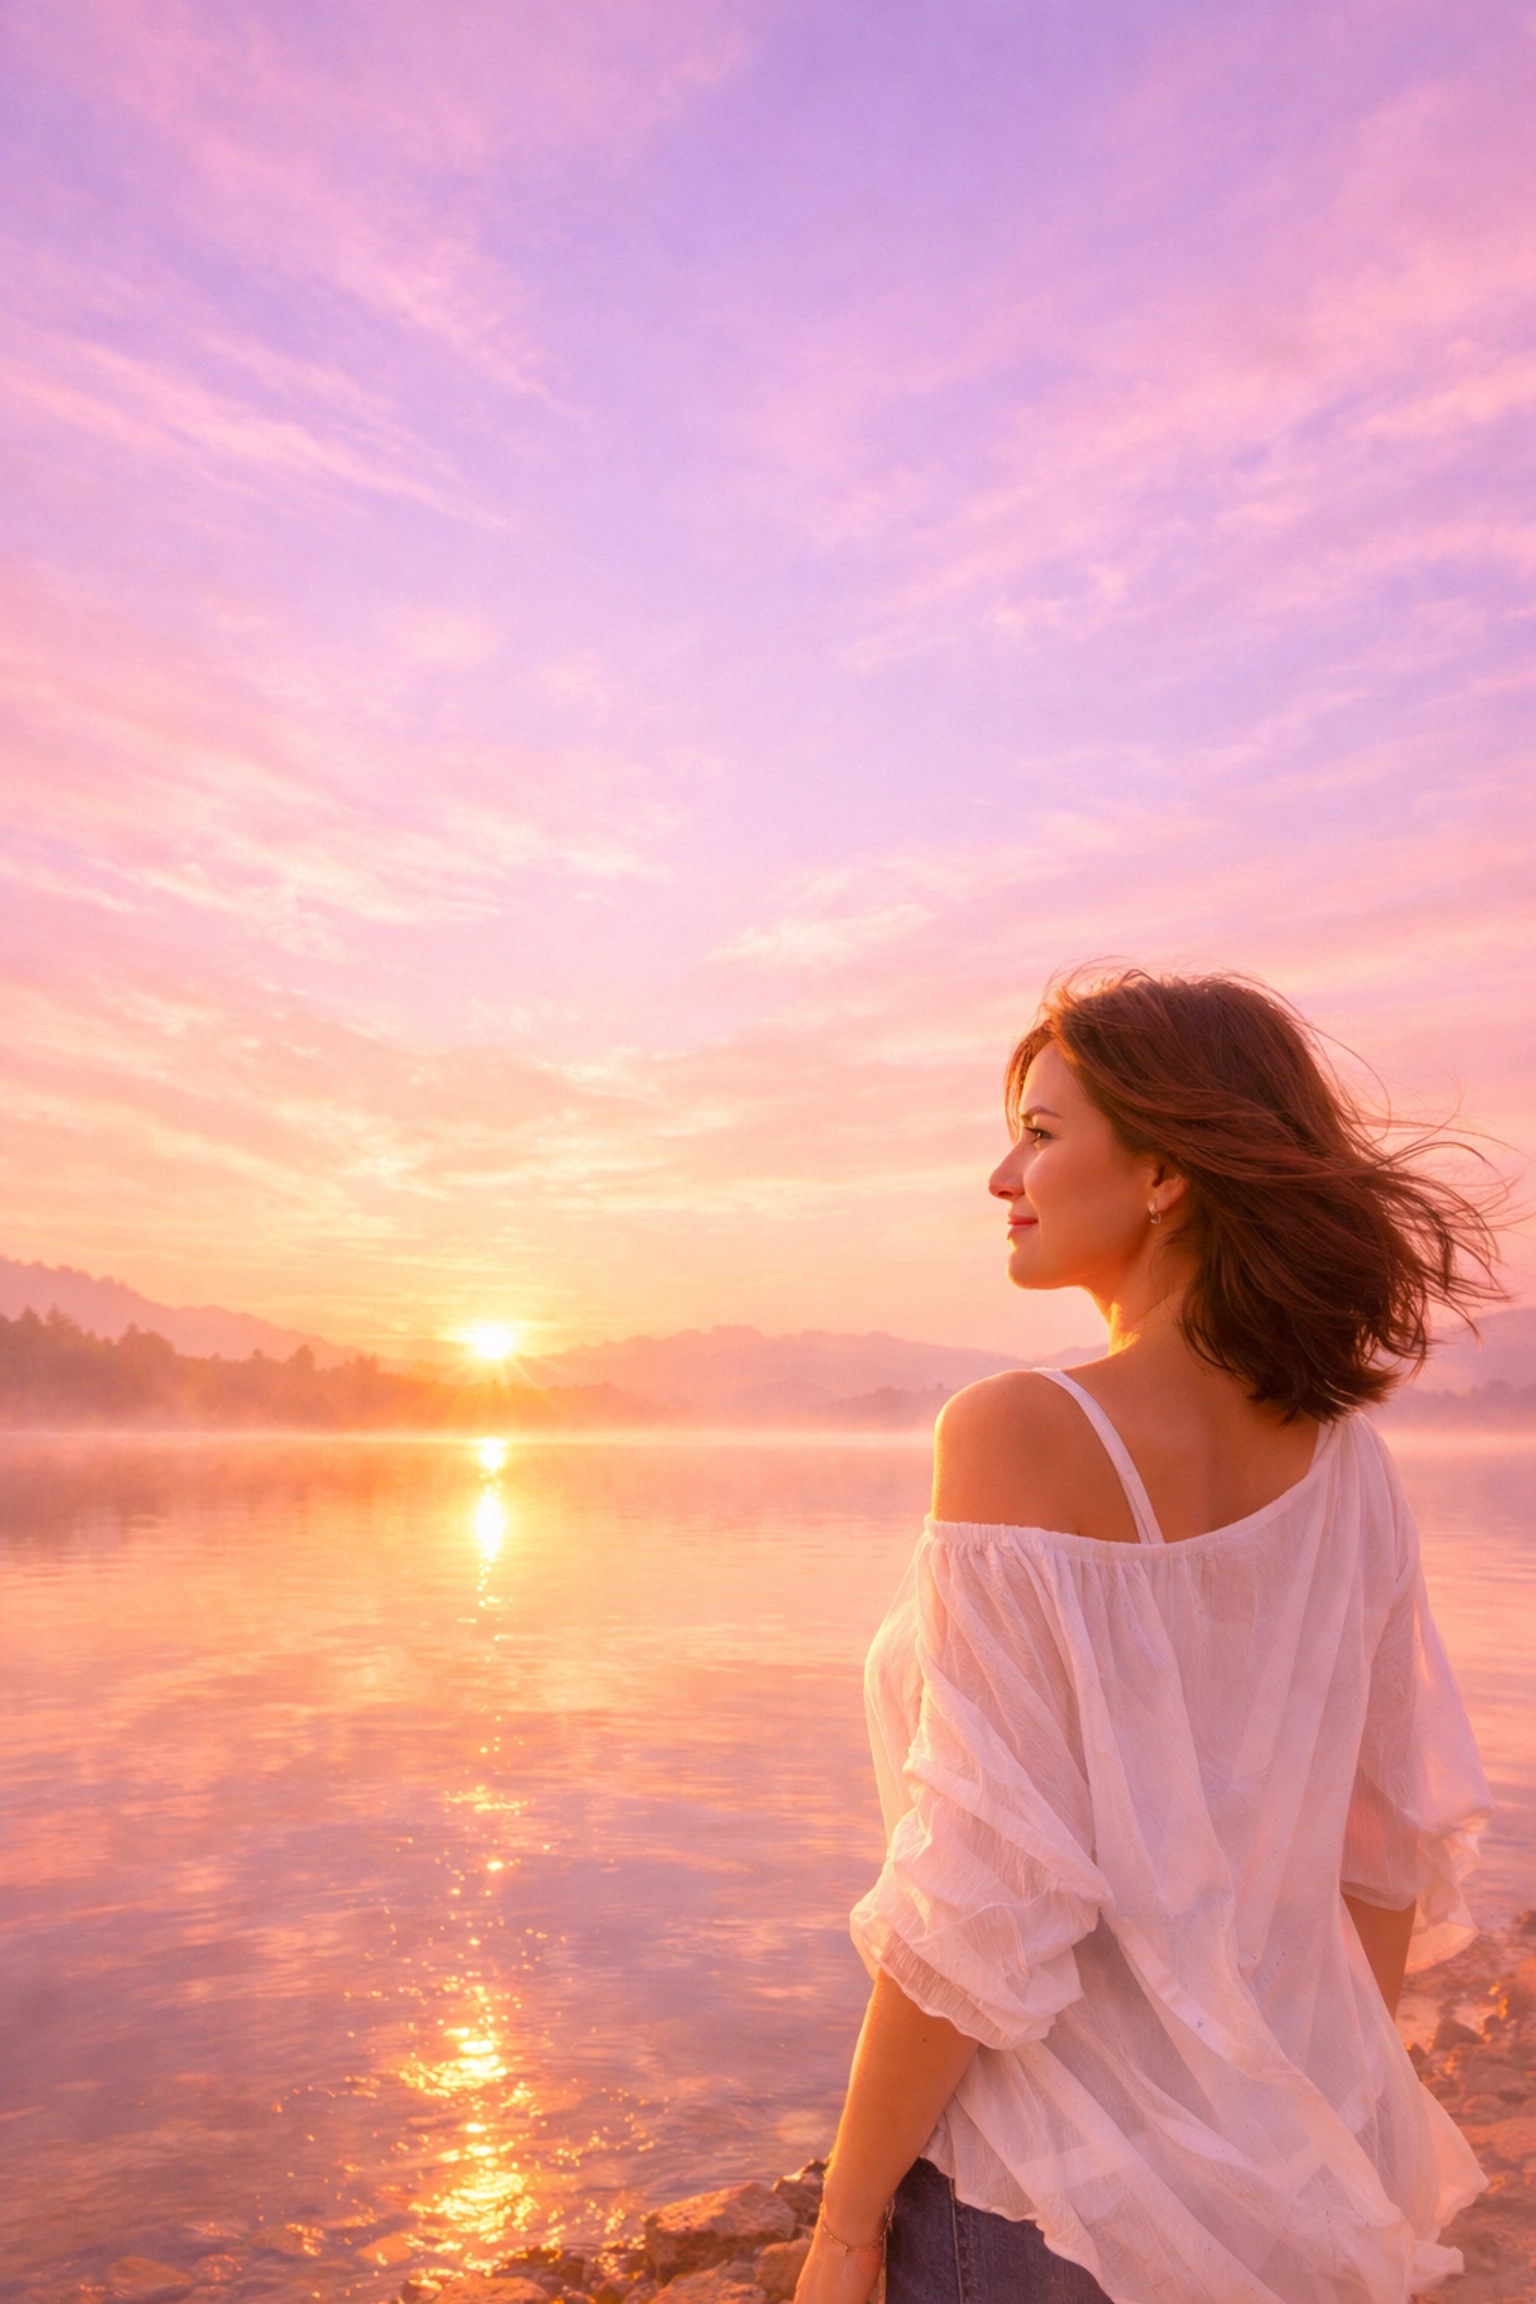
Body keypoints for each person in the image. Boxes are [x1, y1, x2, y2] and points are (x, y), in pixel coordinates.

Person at [795, 969, 1498, 2304]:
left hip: (1050, 2203)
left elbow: (983, 1897)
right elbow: (1383, 1848)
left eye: (1044, 1133)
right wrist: (1312, 2133)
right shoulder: (1350, 1462)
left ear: (1168, 1171)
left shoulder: (1017, 1431)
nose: (1005, 1173)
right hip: (1287, 2190)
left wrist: (841, 2224)